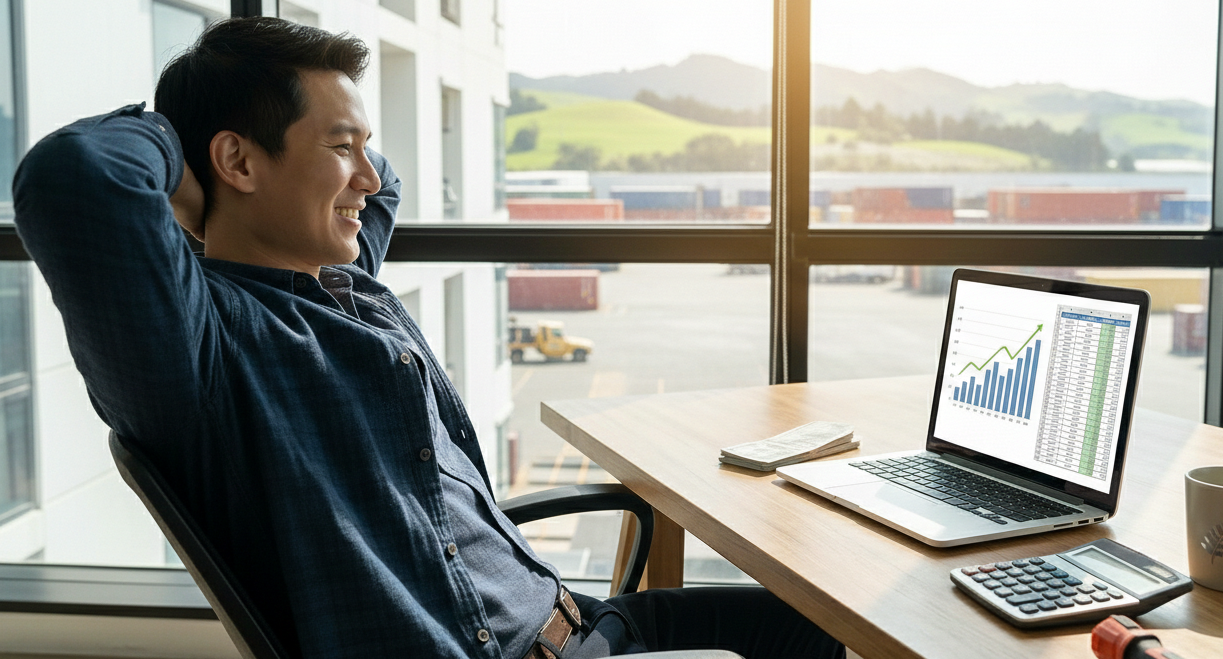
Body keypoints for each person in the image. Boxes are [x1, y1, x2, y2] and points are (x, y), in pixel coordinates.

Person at [13, 17, 844, 659]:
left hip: (573, 615)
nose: (370, 178)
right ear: (234, 160)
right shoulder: (208, 352)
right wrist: (179, 155)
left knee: (817, 622)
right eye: (343, 149)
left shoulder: (342, 283)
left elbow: (383, 190)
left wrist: (268, 172)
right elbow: (74, 177)